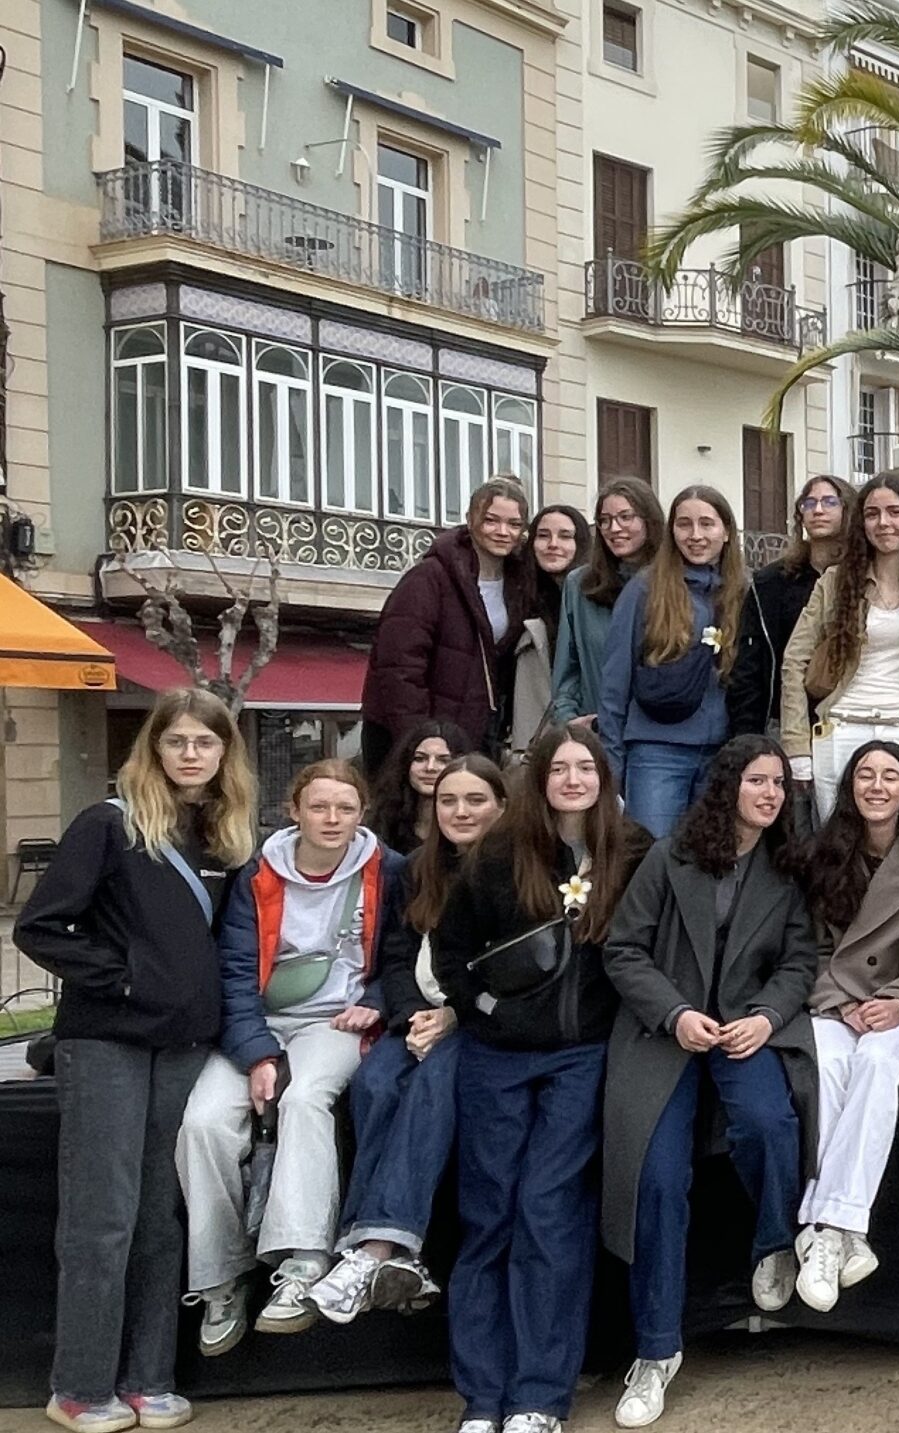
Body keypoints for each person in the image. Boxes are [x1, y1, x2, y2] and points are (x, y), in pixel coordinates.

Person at [21, 689, 258, 1433]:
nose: (191, 753)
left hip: (183, 1045)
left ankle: (149, 1377)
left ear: (224, 752)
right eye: (177, 740)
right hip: (107, 1042)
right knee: (103, 1218)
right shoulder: (108, 824)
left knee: (160, 1215)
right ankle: (78, 1387)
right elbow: (40, 926)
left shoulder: (224, 837)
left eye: (205, 742)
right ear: (154, 746)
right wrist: (123, 978)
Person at [602, 735, 823, 1428]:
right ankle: (655, 1352)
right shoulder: (670, 856)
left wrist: (767, 1016)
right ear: (728, 786)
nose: (770, 794)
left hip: (743, 1031)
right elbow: (623, 948)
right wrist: (673, 1013)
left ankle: (774, 1244)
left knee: (770, 1123)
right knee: (658, 1180)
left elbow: (800, 961)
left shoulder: (787, 868)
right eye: (757, 780)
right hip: (663, 1034)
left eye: (778, 783)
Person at [433, 726, 647, 1433]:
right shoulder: (500, 852)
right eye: (560, 768)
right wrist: (483, 1008)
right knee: (489, 1216)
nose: (573, 779)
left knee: (548, 1214)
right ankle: (481, 1398)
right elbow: (451, 950)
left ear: (604, 777)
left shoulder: (634, 850)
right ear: (540, 778)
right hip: (496, 1058)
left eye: (586, 767)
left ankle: (538, 1398)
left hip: (580, 1057)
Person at [176, 758, 411, 1356]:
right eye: (319, 806)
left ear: (362, 814)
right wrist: (258, 1054)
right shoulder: (257, 873)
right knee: (203, 1122)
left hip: (336, 1021)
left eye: (345, 808)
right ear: (294, 811)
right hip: (257, 1020)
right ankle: (220, 1275)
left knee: (305, 1099)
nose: (332, 818)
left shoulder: (389, 870)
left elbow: (402, 955)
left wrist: (376, 1003)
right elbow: (234, 971)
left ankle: (303, 1260)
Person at [305, 755, 508, 1325]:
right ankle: (380, 1253)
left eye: (475, 800)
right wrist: (415, 1014)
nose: (461, 811)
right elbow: (395, 957)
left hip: (479, 1023)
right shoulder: (418, 868)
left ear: (502, 807)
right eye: (448, 801)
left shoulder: (518, 870)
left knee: (431, 1087)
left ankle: (377, 1247)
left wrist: (452, 1017)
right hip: (418, 1014)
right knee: (374, 1082)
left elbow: (511, 971)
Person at [792, 740, 899, 1306]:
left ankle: (824, 1230)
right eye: (865, 775)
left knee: (878, 1063)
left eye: (890, 776)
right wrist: (840, 1003)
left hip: (898, 1003)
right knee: (829, 1066)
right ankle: (847, 1233)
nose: (877, 786)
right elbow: (807, 948)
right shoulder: (823, 855)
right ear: (850, 786)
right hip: (834, 1000)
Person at [782, 474, 899, 825]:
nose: (884, 522)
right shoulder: (834, 584)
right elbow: (794, 662)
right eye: (872, 514)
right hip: (841, 730)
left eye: (895, 512)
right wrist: (797, 746)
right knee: (840, 847)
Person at [362, 477, 535, 776]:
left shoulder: (520, 583)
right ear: (470, 519)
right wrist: (419, 742)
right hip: (421, 743)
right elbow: (399, 668)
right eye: (491, 520)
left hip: (477, 736)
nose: (502, 531)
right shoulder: (430, 577)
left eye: (513, 524)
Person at [601, 485, 747, 837]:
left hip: (721, 754)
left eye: (706, 524)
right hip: (656, 753)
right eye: (684, 524)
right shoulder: (644, 589)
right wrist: (610, 766)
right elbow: (614, 683)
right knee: (653, 854)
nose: (695, 535)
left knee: (707, 857)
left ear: (727, 531)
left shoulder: (743, 591)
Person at [731, 474, 856, 741]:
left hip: (851, 717)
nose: (817, 510)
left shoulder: (863, 577)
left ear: (848, 510)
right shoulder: (770, 582)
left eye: (829, 502)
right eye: (809, 503)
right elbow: (750, 665)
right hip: (784, 720)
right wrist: (747, 734)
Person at [553, 480, 666, 729]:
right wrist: (568, 719)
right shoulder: (579, 585)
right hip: (597, 731)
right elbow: (567, 668)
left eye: (625, 517)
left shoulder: (676, 583)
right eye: (604, 520)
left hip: (661, 735)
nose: (613, 528)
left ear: (650, 520)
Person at [510, 505, 590, 761]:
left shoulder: (592, 601)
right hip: (529, 738)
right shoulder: (516, 596)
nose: (553, 544)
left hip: (581, 730)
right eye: (543, 536)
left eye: (565, 536)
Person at [374, 720, 468, 857]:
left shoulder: (469, 824)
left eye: (443, 760)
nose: (430, 768)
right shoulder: (384, 822)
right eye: (420, 759)